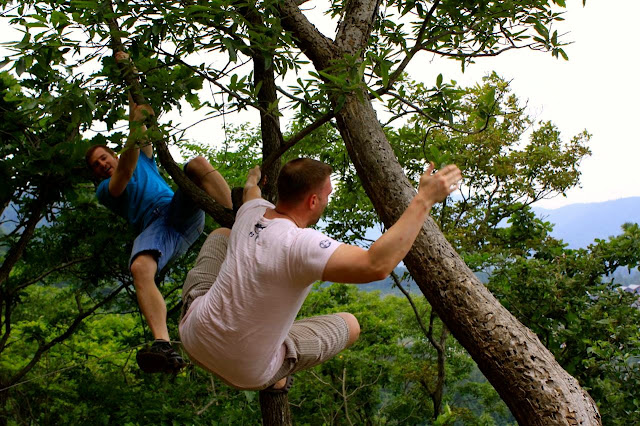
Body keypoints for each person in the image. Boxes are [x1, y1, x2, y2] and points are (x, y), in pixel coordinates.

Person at [178, 158, 461, 391]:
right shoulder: (300, 244)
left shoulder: (251, 212)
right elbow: (376, 264)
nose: (327, 200)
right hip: (247, 373)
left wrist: (253, 179)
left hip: (194, 340)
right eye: (327, 195)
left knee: (222, 234)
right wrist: (424, 198)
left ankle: (258, 352)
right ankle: (275, 373)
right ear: (313, 201)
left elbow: (250, 193)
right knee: (350, 325)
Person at [85, 72, 233, 373]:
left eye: (104, 157)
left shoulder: (143, 156)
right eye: (96, 165)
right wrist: (135, 127)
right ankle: (163, 344)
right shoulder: (105, 190)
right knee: (140, 268)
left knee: (196, 165)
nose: (102, 164)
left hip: (176, 210)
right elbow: (124, 171)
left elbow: (139, 110)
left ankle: (241, 215)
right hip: (155, 228)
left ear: (111, 153)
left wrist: (127, 72)